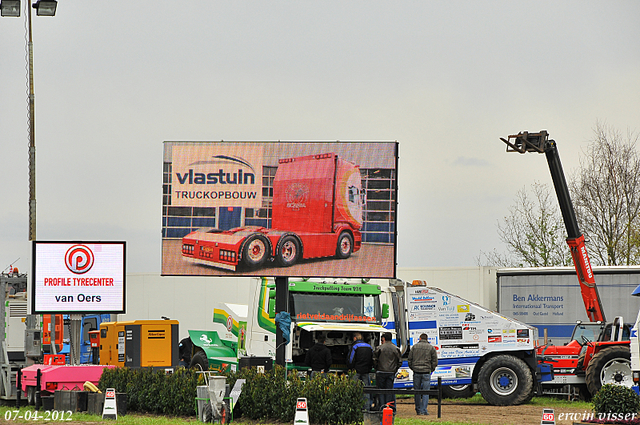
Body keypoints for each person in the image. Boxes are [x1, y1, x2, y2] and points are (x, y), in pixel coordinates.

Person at [408, 333, 438, 415]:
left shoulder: (414, 347)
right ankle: (424, 410)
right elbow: (435, 361)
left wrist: (413, 368)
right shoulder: (431, 348)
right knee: (425, 392)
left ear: (420, 338)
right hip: (426, 372)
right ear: (427, 339)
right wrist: (431, 369)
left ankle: (418, 409)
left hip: (416, 372)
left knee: (417, 392)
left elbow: (409, 359)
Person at [373, 332, 401, 412]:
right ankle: (389, 407)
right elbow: (399, 362)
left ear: (384, 339)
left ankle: (382, 407)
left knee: (381, 390)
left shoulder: (379, 348)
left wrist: (377, 368)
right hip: (391, 372)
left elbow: (374, 359)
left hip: (380, 371)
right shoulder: (395, 348)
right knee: (389, 390)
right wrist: (394, 370)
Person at [348, 332, 374, 410]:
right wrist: (369, 368)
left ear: (355, 338)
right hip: (366, 371)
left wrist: (351, 368)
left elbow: (350, 359)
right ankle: (367, 407)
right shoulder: (369, 347)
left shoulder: (355, 346)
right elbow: (372, 359)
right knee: (366, 390)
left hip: (356, 371)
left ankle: (354, 407)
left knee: (354, 389)